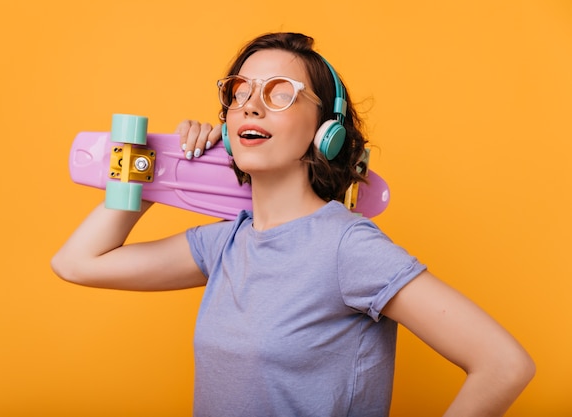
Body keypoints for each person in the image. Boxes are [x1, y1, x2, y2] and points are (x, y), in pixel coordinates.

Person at [51, 32, 535, 416]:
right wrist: (158, 167)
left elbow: (503, 365)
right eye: (239, 91)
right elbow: (77, 263)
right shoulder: (225, 243)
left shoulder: (346, 246)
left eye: (281, 94)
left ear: (326, 131)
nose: (251, 104)